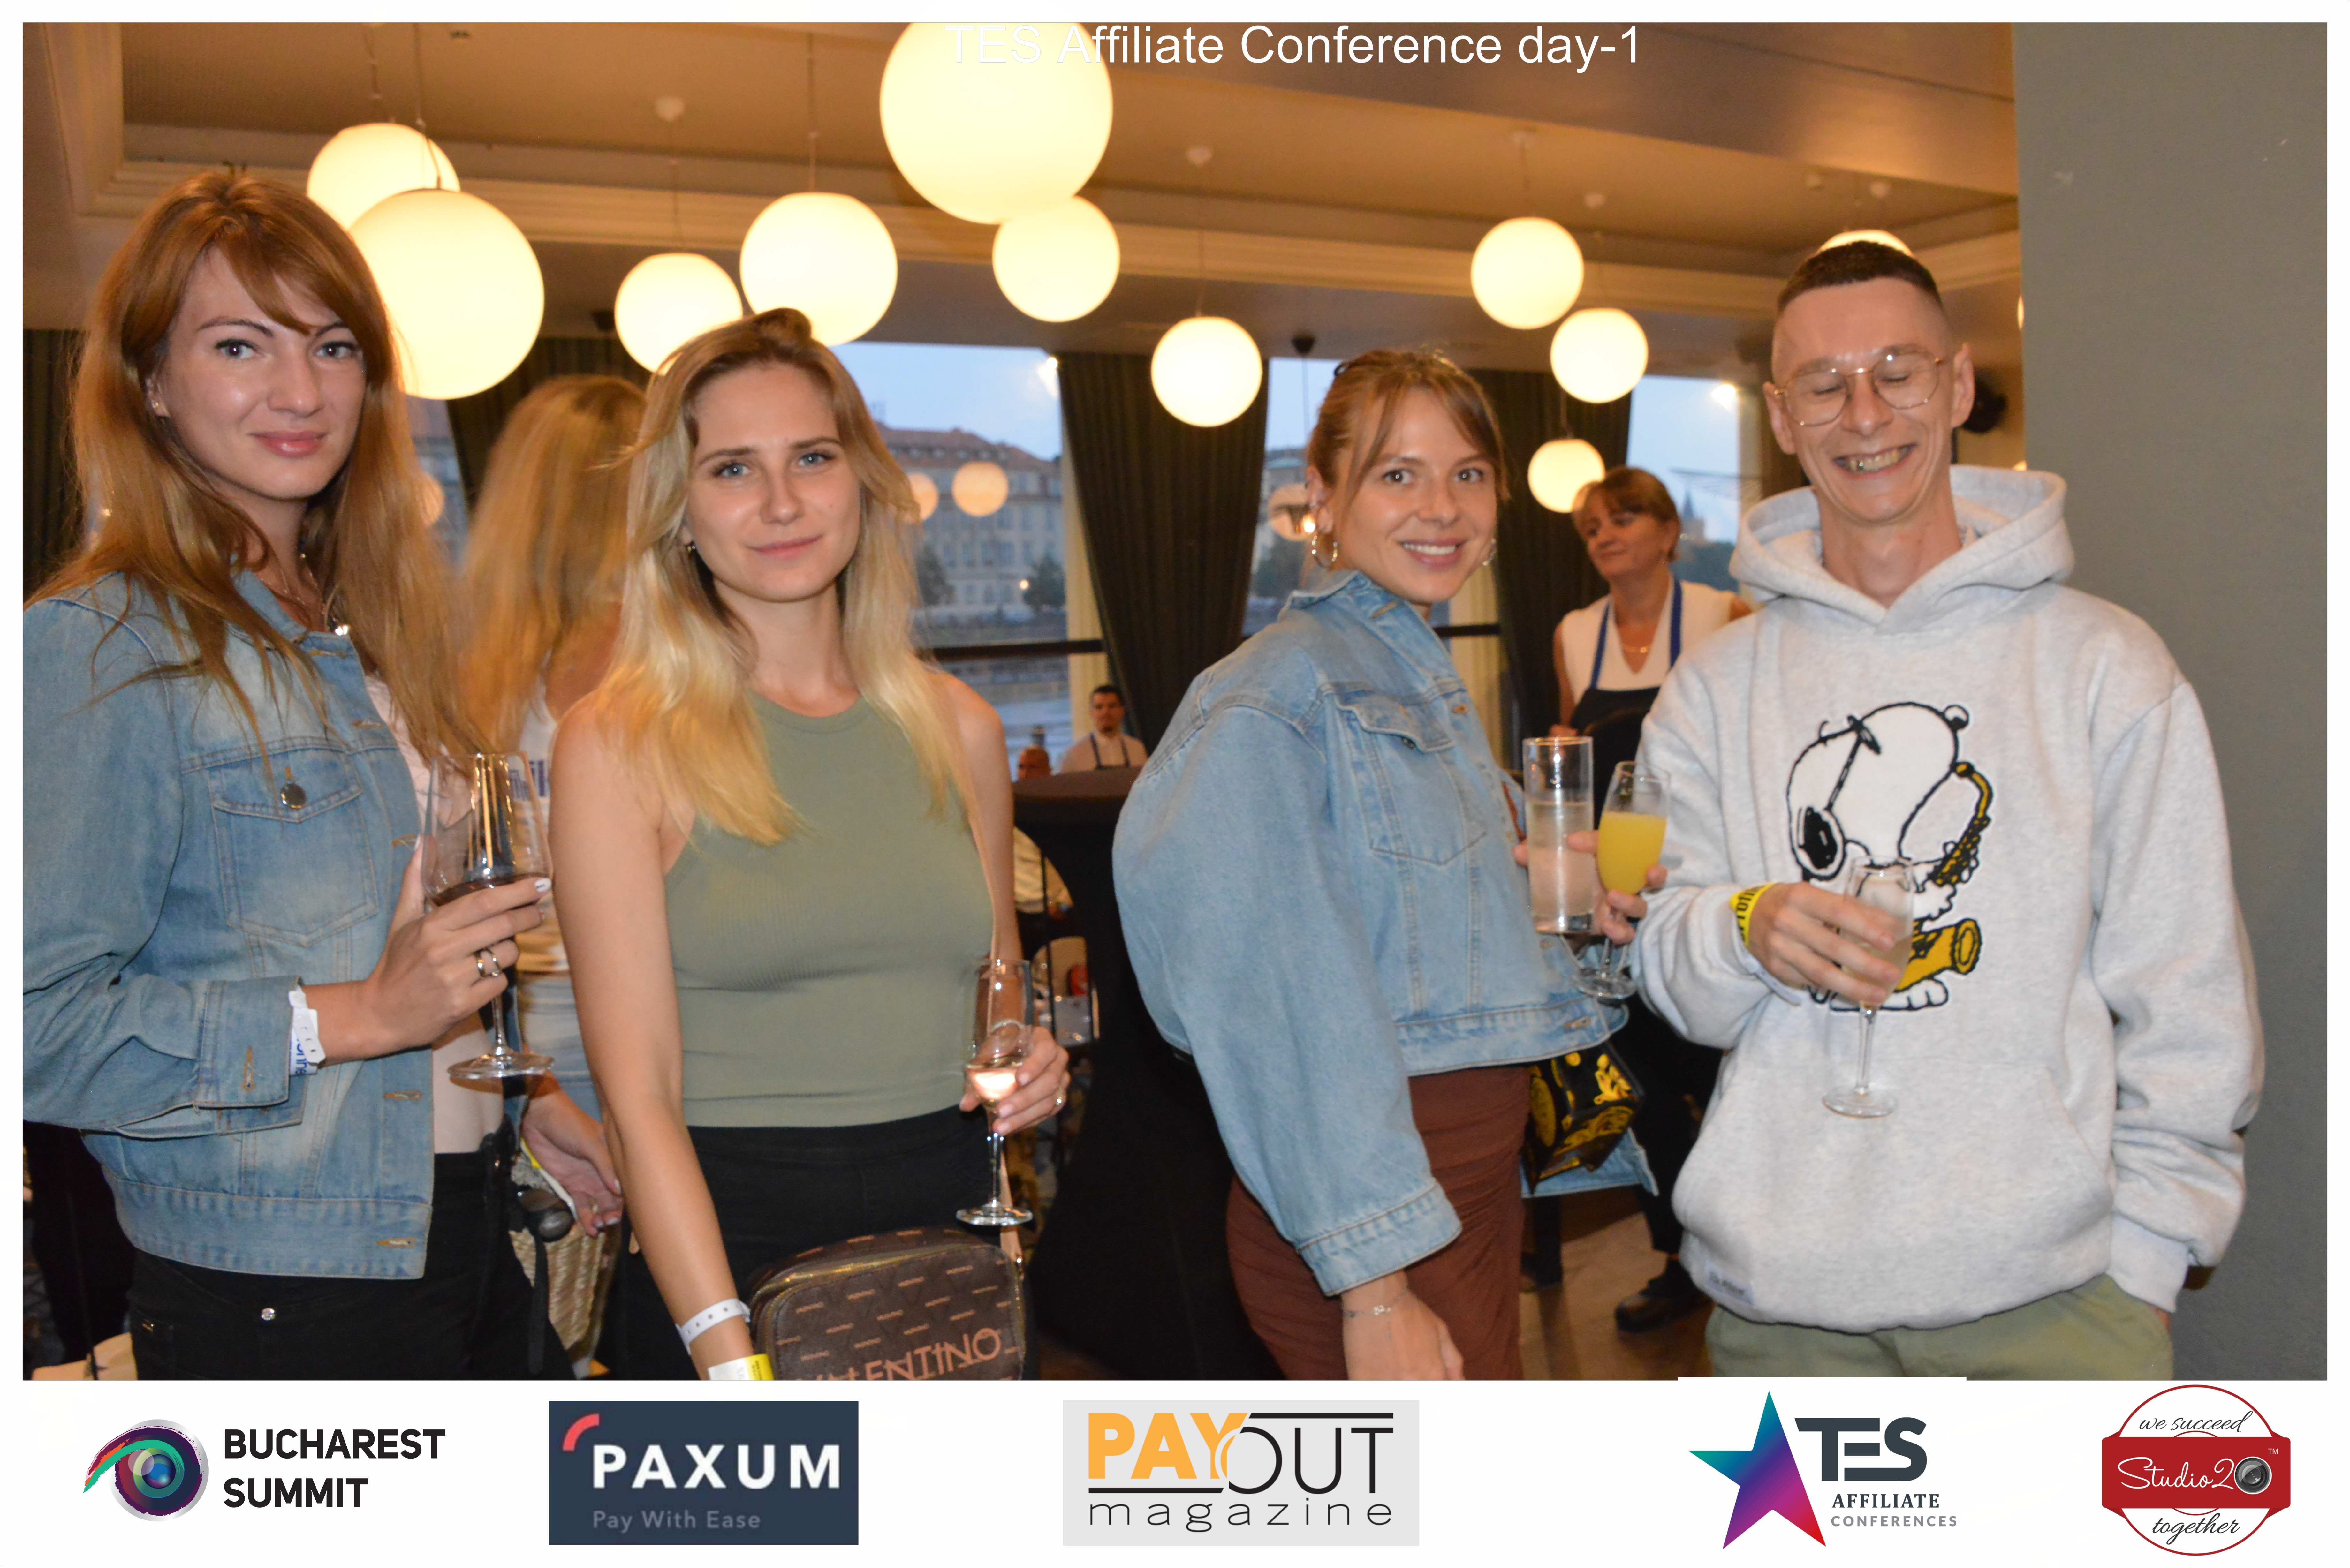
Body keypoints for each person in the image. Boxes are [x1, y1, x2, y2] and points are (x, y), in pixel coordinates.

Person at [21, 171, 618, 1379]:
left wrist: (524, 1097)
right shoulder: (104, 641)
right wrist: (352, 1015)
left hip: (458, 1224)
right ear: (151, 383)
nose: (301, 390)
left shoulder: (371, 631)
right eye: (241, 345)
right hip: (280, 1288)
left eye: (333, 346)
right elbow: (36, 1027)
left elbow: (408, 945)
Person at [1634, 239, 2262, 1378]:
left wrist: (2147, 1257)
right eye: (1824, 383)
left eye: (1897, 371)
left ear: (1959, 383)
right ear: (1781, 416)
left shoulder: (2106, 666)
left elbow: (2188, 990)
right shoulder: (1712, 688)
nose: (1864, 412)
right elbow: (1674, 972)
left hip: (2057, 1309)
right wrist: (1743, 926)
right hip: (1781, 1318)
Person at [555, 308, 1071, 1381]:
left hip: (948, 1249)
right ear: (680, 511)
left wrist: (1033, 1062)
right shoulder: (619, 743)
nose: (782, 502)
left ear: (864, 484)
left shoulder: (962, 729)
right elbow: (640, 1103)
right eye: (733, 469)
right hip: (725, 1256)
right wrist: (728, 1356)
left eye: (813, 458)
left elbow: (996, 995)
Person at [1115, 350, 1641, 1380]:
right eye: (1398, 474)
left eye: (1468, 473)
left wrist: (1553, 899)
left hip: (1457, 1194)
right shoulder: (1277, 692)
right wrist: (1375, 1289)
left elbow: (1411, 936)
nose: (1442, 507)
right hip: (1378, 1217)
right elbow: (1272, 1003)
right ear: (1322, 497)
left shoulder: (1405, 675)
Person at [456, 373, 644, 1375]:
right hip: (587, 1036)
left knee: (557, 1337)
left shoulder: (471, 674)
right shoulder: (675, 662)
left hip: (527, 1039)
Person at [1546, 468, 1749, 1332]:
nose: (1604, 534)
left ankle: (1748, 1239)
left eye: (1623, 517)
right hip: (1615, 891)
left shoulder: (1722, 615)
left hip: (1702, 881)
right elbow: (1570, 755)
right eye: (1592, 525)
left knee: (1726, 1071)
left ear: (1669, 531)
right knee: (1639, 1084)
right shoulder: (1572, 631)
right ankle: (1681, 1256)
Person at [1058, 683, 1147, 771]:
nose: (1106, 713)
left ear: (1122, 711)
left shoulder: (1137, 749)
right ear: (1091, 712)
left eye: (1112, 706)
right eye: (1099, 707)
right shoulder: (1074, 755)